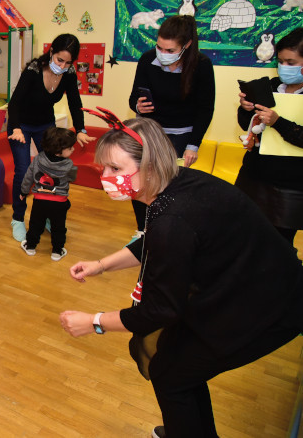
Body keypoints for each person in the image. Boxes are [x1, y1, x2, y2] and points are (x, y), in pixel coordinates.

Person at [58, 116, 302, 438]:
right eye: (103, 169)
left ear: (149, 164)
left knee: (172, 375)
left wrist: (94, 322)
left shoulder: (172, 218)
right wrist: (101, 265)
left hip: (269, 305)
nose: (105, 178)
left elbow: (160, 310)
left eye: (115, 169)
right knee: (175, 369)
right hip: (244, 286)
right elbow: (151, 242)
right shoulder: (177, 184)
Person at [128, 15, 216, 236]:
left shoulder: (202, 65)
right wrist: (139, 106)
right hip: (150, 131)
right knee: (140, 182)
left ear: (186, 46)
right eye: (159, 47)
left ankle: (164, 232)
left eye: (170, 50)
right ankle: (143, 231)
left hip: (181, 135)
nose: (162, 54)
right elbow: (133, 99)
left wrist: (193, 145)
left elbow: (205, 108)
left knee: (169, 187)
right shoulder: (147, 60)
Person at [7, 34, 93, 242]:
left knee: (52, 168)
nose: (63, 65)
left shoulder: (69, 73)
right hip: (21, 125)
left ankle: (46, 213)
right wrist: (17, 128)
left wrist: (81, 129)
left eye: (67, 62)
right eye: (59, 60)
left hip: (45, 124)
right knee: (23, 169)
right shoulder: (33, 70)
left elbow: (75, 102)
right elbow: (15, 102)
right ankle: (18, 218)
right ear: (51, 52)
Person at [235, 27, 303, 246]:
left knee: (278, 243)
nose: (284, 67)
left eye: (291, 63)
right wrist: (246, 109)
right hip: (254, 176)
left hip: (291, 185)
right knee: (245, 235)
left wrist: (278, 122)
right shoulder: (269, 86)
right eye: (280, 61)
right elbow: (247, 124)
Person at [19, 127, 78, 261]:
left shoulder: (38, 158)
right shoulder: (69, 164)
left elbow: (28, 176)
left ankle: (30, 247)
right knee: (58, 227)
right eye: (70, 148)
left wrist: (23, 191)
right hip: (59, 202)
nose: (73, 149)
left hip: (40, 200)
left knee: (36, 224)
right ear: (58, 151)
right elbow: (72, 178)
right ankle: (57, 251)